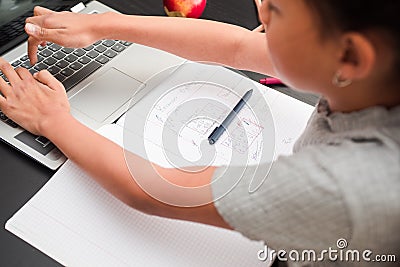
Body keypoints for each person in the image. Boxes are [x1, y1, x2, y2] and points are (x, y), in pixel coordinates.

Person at [0, 0, 399, 265]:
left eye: (275, 10)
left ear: (350, 56)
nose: (260, 11)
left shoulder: (351, 185)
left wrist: (51, 119)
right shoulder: (380, 70)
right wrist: (103, 25)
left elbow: (160, 189)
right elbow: (240, 47)